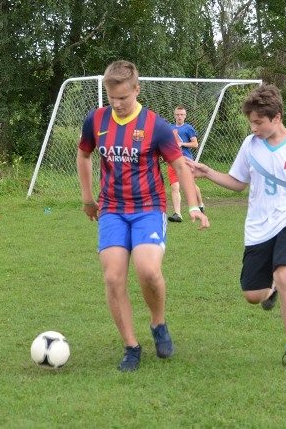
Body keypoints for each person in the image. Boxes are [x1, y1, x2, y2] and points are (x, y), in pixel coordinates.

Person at [185, 84, 286, 372]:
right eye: (251, 123)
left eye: (259, 122)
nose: (254, 128)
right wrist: (208, 173)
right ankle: (271, 290)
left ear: (276, 117)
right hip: (258, 226)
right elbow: (238, 183)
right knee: (253, 295)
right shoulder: (250, 145)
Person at [77, 60, 210, 372]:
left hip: (148, 208)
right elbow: (84, 155)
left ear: (137, 89)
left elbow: (179, 166)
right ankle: (131, 346)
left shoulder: (156, 126)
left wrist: (193, 206)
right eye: (112, 98)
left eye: (123, 97)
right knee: (113, 278)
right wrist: (87, 198)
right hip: (112, 209)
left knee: (148, 271)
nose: (117, 104)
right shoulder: (96, 120)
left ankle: (158, 323)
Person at [167, 106, 205, 223]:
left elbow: (195, 144)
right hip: (173, 161)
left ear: (185, 116)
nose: (180, 116)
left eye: (182, 114)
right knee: (174, 186)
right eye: (178, 114)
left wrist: (182, 144)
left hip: (186, 161)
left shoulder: (188, 128)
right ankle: (177, 214)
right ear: (174, 115)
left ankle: (200, 205)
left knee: (191, 186)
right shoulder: (170, 128)